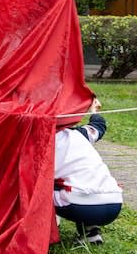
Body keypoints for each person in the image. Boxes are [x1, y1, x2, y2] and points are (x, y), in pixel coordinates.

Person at [53, 98, 123, 245]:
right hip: (115, 203)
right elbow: (99, 126)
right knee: (80, 183)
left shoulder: (39, 139)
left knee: (34, 187)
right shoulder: (81, 134)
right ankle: (91, 232)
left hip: (79, 205)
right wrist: (93, 111)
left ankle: (47, 228)